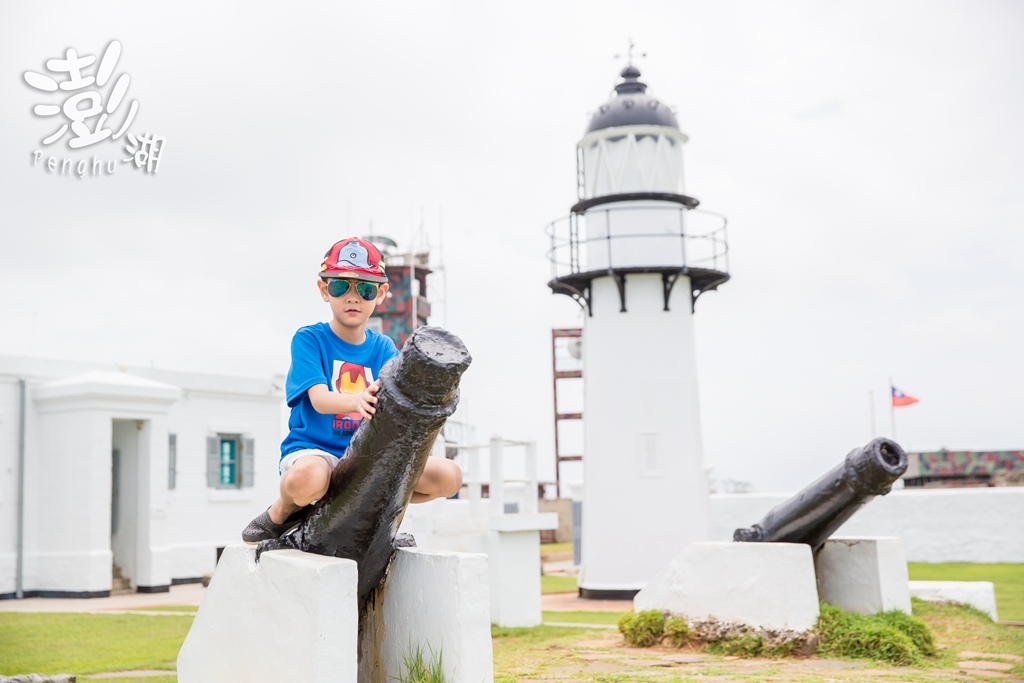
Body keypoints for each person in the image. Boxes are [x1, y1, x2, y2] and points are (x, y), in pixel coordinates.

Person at [242, 237, 463, 543]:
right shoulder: (310, 340)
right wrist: (357, 399)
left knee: (449, 477)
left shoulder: (384, 347)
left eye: (366, 289)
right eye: (340, 286)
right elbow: (319, 400)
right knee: (307, 479)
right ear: (324, 290)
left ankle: (379, 512)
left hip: (366, 457)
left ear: (381, 294)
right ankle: (280, 512)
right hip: (317, 452)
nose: (353, 297)